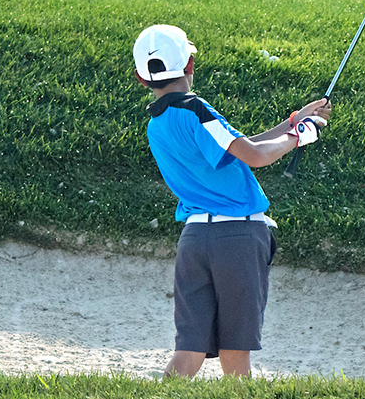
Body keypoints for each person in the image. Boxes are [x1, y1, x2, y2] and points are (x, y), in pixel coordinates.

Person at [135, 24, 329, 378]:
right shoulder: (196, 109)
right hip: (237, 239)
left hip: (194, 241)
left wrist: (291, 123)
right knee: (235, 351)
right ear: (190, 64)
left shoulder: (158, 123)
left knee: (188, 350)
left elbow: (239, 148)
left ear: (140, 77)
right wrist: (300, 136)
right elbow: (254, 156)